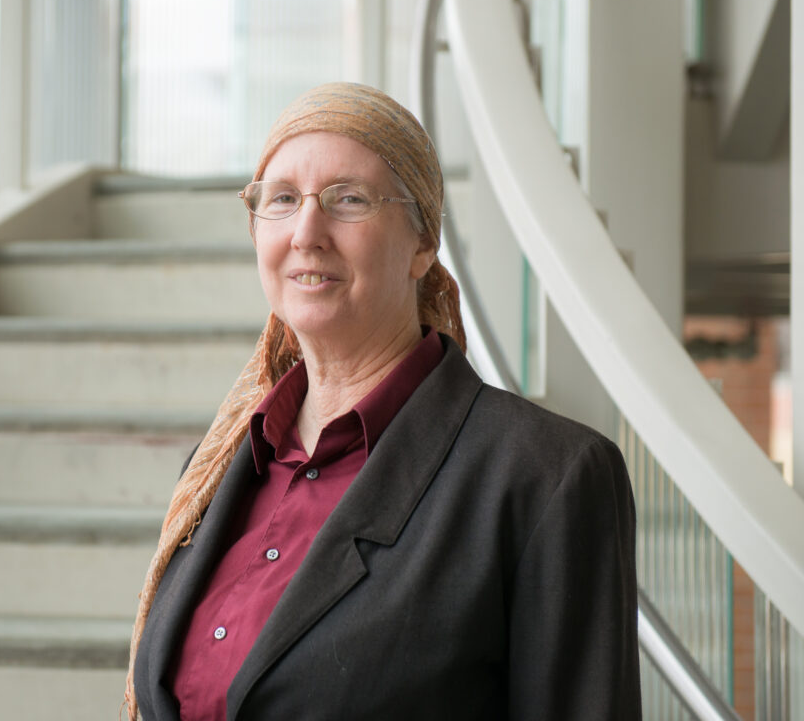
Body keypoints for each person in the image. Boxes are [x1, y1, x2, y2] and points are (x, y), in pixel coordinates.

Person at [123, 82, 640, 720]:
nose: (306, 232)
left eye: (348, 200)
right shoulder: (218, 466)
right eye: (282, 200)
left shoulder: (545, 475)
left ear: (423, 245)